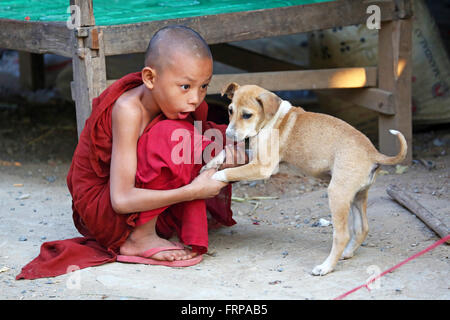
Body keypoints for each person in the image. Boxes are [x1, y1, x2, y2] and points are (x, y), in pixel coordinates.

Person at [16, 25, 244, 280]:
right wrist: (194, 191)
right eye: (185, 87)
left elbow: (206, 138)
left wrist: (227, 153)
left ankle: (152, 226)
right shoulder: (128, 110)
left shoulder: (176, 104)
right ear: (149, 78)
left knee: (217, 140)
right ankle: (138, 239)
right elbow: (121, 200)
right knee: (170, 138)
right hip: (107, 208)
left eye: (203, 87)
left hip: (140, 195)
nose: (196, 99)